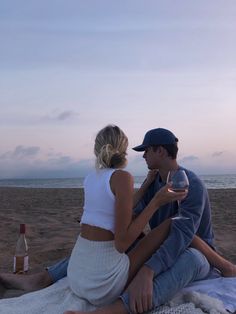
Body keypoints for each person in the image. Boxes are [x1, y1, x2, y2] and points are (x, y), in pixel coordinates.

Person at [0, 127, 235, 314]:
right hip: (161, 244)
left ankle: (117, 308)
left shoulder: (190, 184)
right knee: (100, 247)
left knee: (192, 258)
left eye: (147, 150)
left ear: (161, 152)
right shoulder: (154, 182)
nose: (142, 155)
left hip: (194, 250)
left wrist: (148, 270)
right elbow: (132, 213)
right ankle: (44, 277)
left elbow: (183, 235)